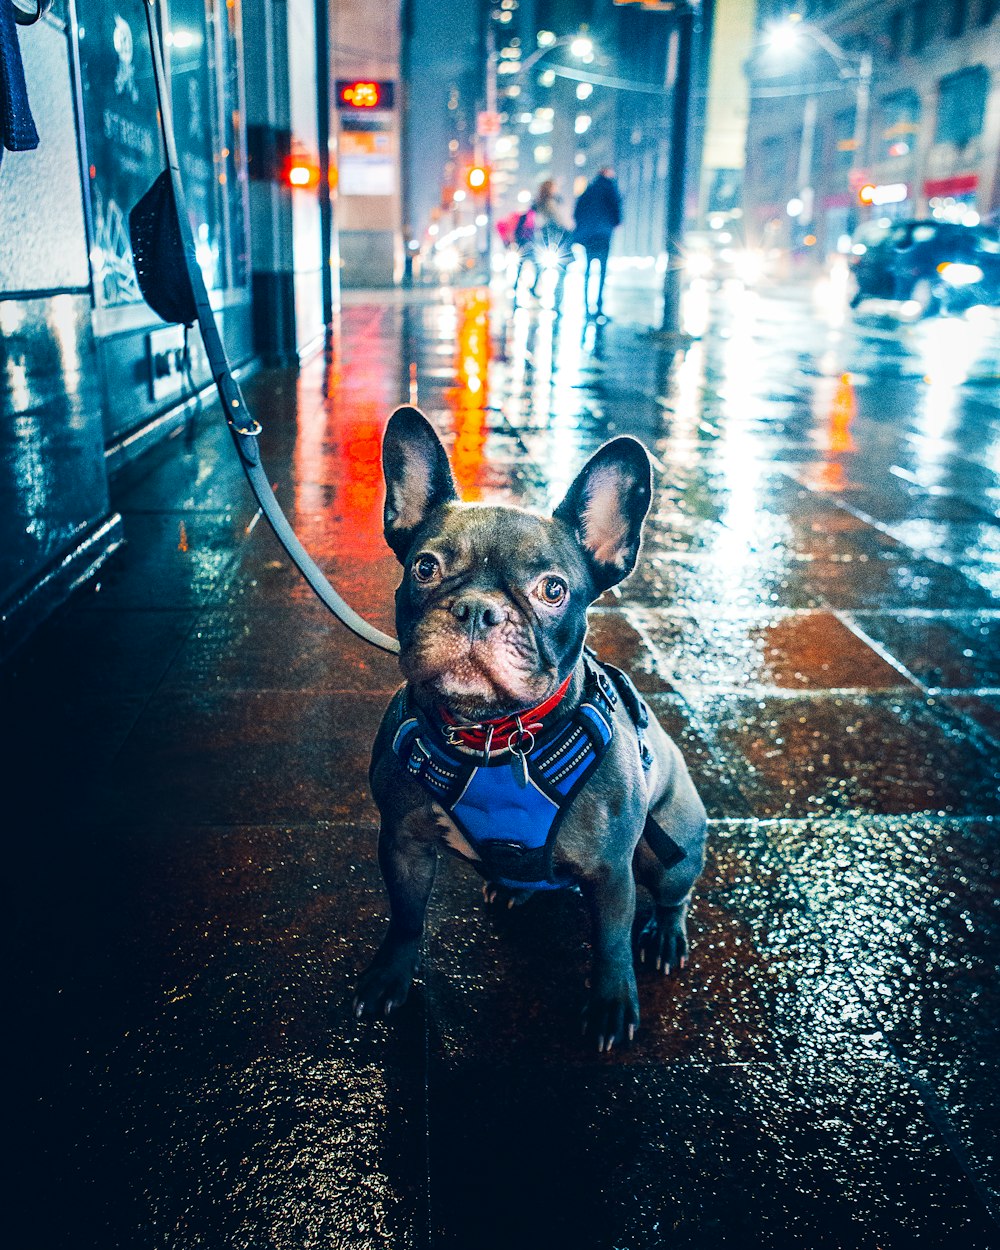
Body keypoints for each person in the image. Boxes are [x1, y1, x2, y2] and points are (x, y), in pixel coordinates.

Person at [573, 168, 622, 321]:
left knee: (587, 270)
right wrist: (612, 223)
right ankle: (598, 306)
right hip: (603, 235)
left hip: (588, 236)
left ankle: (586, 307)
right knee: (601, 272)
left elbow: (577, 212)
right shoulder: (610, 189)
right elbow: (617, 211)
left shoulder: (588, 190)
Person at [529, 177, 573, 305]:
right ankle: (558, 298)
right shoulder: (550, 203)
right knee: (561, 268)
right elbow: (559, 221)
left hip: (544, 240)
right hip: (556, 240)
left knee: (542, 267)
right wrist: (568, 230)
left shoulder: (539, 204)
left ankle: (541, 291)